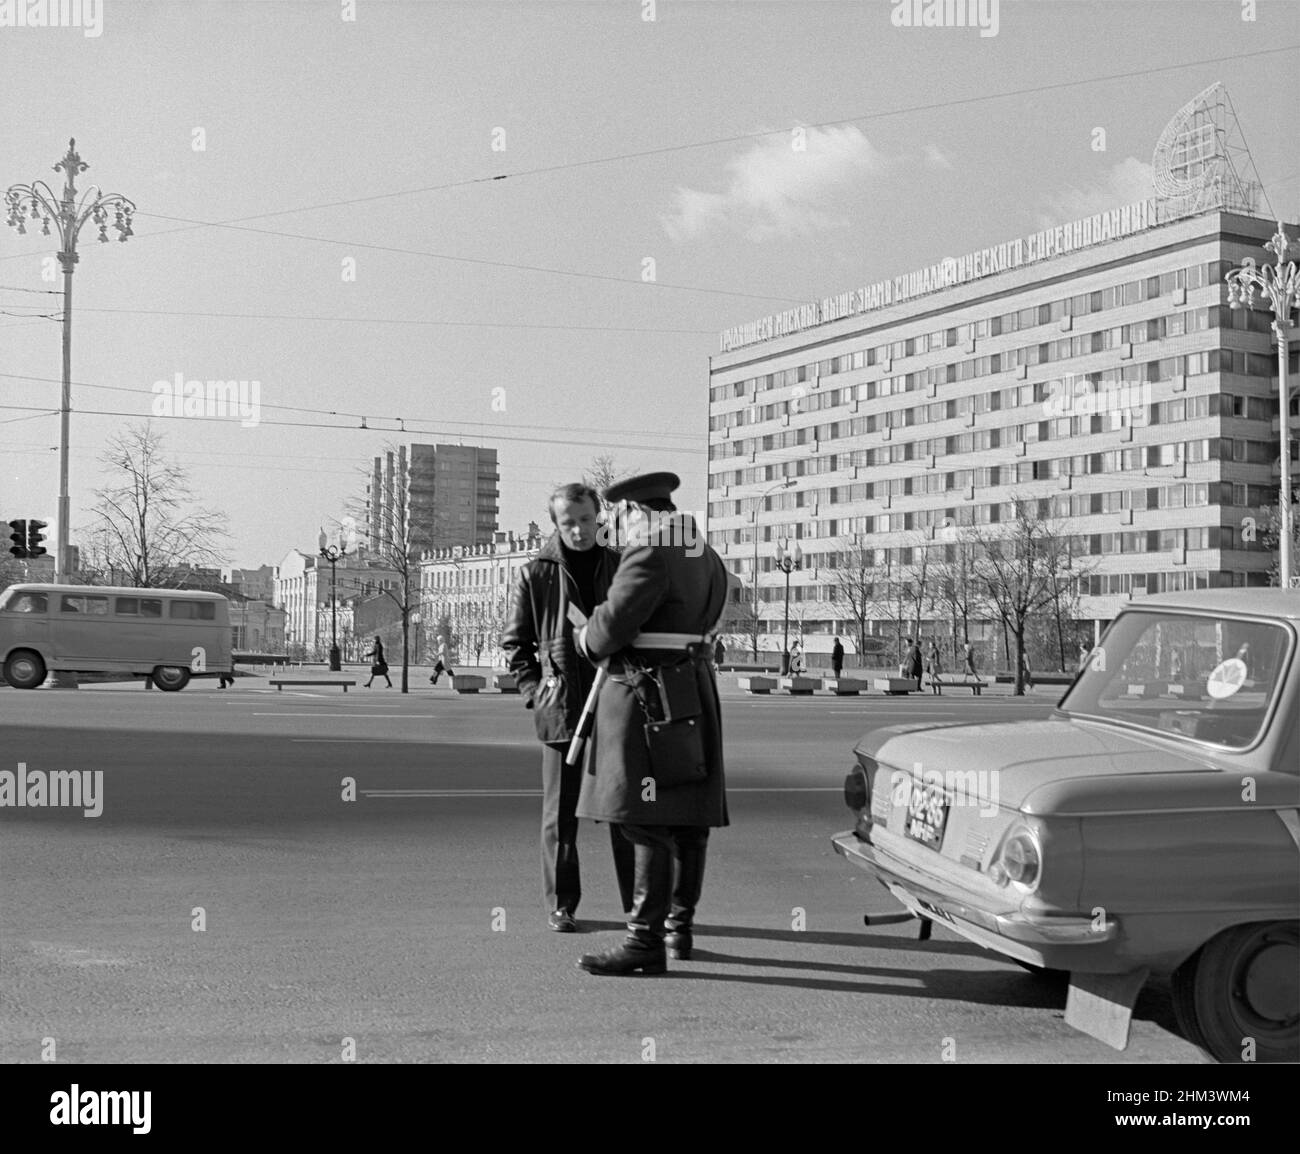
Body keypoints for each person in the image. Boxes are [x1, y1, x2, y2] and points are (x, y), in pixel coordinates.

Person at [574, 472, 729, 976]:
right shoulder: (703, 551)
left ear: (634, 512)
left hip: (648, 693)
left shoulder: (650, 550)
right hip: (693, 688)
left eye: (618, 519)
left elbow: (612, 626)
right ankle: (678, 930)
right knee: (687, 820)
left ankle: (644, 942)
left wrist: (586, 636)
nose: (616, 530)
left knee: (644, 817)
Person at [501, 482, 634, 932]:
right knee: (560, 815)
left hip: (616, 705)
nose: (577, 530)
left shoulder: (621, 567)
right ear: (555, 523)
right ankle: (562, 904)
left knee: (625, 812)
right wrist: (535, 692)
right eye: (567, 522)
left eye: (584, 520)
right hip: (562, 711)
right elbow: (515, 645)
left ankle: (638, 907)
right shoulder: (536, 573)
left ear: (599, 518)